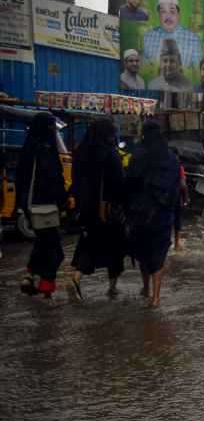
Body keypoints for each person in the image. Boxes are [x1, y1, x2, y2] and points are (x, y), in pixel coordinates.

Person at [69, 118, 128, 300]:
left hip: (86, 209)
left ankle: (76, 279)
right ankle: (112, 288)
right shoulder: (111, 154)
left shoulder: (80, 152)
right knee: (116, 249)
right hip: (108, 211)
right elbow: (119, 183)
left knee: (89, 244)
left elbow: (76, 182)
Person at [126, 120, 181, 307]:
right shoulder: (171, 157)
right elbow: (175, 188)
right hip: (162, 215)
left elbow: (130, 184)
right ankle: (156, 298)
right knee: (158, 255)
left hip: (140, 215)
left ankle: (145, 288)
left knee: (143, 252)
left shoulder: (138, 156)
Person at [15, 112, 67, 298]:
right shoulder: (46, 150)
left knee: (42, 244)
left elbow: (20, 178)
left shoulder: (28, 148)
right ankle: (46, 287)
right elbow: (53, 179)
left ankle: (29, 275)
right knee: (55, 250)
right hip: (46, 208)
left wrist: (20, 205)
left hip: (29, 207)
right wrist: (63, 202)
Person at [142, 0, 203, 68]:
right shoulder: (148, 37)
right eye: (163, 11)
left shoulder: (194, 39)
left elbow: (198, 73)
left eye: (172, 11)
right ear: (159, 15)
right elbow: (145, 69)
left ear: (178, 14)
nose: (168, 16)